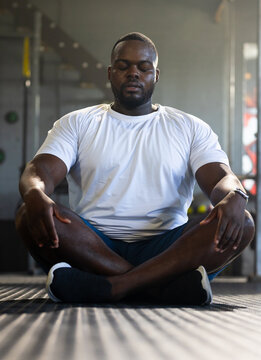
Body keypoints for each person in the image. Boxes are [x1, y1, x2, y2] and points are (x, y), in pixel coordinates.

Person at [16, 32, 255, 305]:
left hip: (170, 247)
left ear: (156, 74)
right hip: (93, 246)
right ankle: (159, 288)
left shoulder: (189, 127)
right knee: (28, 213)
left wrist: (234, 194)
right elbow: (40, 170)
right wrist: (35, 192)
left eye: (144, 68)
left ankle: (113, 286)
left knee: (243, 222)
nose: (133, 73)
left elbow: (220, 178)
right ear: (110, 72)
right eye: (123, 66)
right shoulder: (77, 123)